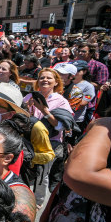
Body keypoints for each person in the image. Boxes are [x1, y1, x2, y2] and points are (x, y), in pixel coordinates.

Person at [33, 117, 111, 222]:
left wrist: (106, 123)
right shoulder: (105, 138)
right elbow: (64, 184)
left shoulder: (104, 129)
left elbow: (78, 175)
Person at [23, 68, 74, 207]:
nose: (45, 80)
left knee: (42, 173)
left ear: (56, 82)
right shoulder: (30, 97)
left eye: (49, 78)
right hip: (30, 139)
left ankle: (38, 201)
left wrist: (44, 111)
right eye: (42, 78)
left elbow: (62, 126)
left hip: (51, 142)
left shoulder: (61, 101)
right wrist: (27, 110)